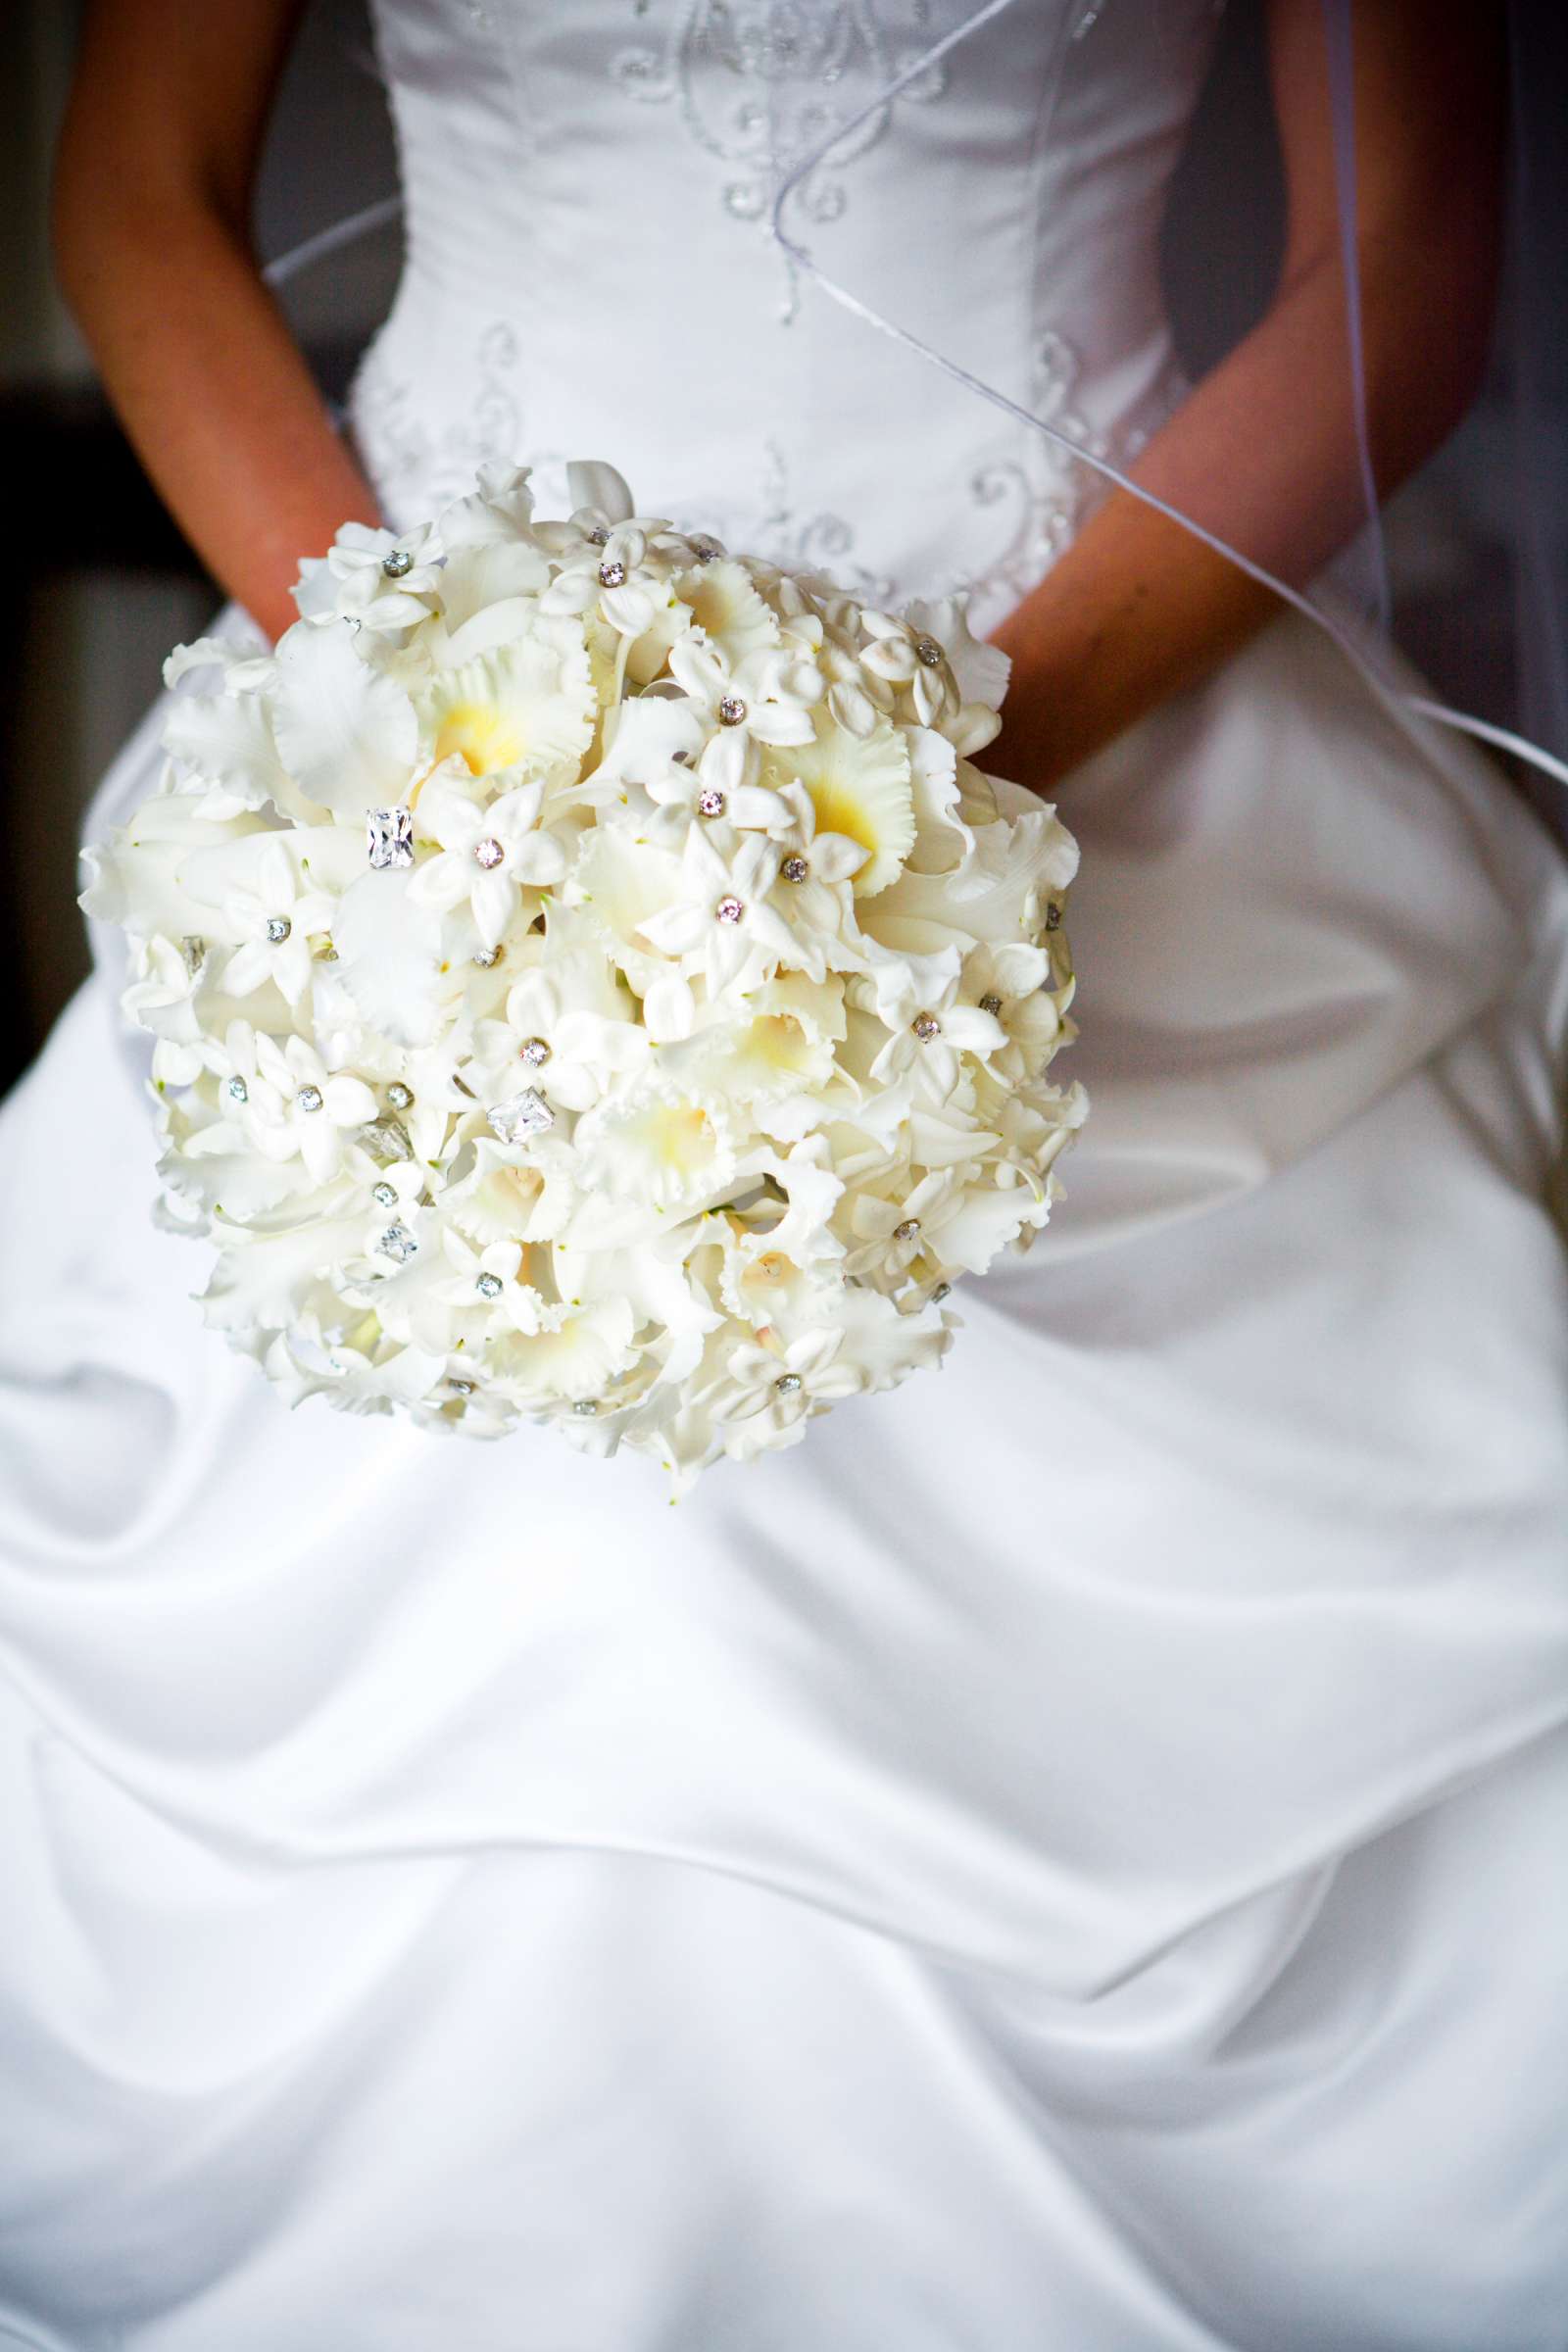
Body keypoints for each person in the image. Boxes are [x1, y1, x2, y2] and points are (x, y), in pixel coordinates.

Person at [2, 0, 1563, 2341]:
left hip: (1097, 678)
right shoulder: (419, 748)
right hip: (410, 726)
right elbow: (142, 200)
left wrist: (892, 794)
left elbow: (1403, 254)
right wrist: (433, 745)